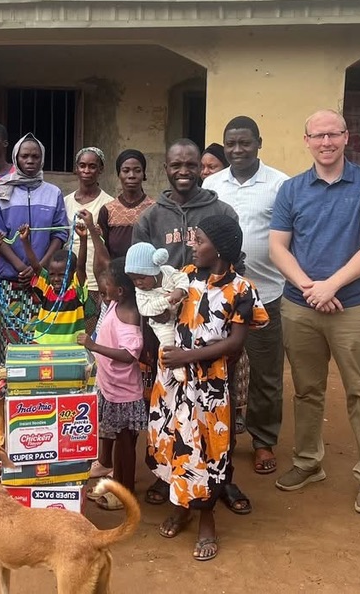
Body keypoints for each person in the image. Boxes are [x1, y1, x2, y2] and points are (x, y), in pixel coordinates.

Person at [269, 109, 360, 515]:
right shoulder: (291, 189)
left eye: (333, 134)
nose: (326, 142)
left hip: (353, 307)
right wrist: (311, 288)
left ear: (346, 137)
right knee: (306, 390)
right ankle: (308, 462)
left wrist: (332, 285)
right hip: (301, 305)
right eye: (318, 135)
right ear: (306, 141)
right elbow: (278, 247)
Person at [132, 139, 247, 513]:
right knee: (169, 407)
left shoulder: (220, 210)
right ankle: (168, 476)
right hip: (167, 331)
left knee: (218, 409)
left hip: (213, 333)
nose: (183, 171)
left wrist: (230, 328)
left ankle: (221, 480)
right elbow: (139, 277)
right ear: (165, 167)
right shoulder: (151, 217)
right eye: (176, 165)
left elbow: (236, 267)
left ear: (202, 167)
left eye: (191, 164)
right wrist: (151, 328)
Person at [149, 215, 268, 562]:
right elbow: (166, 313)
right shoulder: (184, 277)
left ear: (220, 249)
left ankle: (206, 520)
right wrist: (161, 313)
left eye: (199, 240)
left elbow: (235, 343)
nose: (192, 245)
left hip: (209, 387)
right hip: (173, 382)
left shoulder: (241, 290)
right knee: (176, 443)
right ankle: (181, 506)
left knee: (209, 450)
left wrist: (188, 356)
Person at [203, 116, 290, 477]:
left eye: (245, 143)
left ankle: (263, 440)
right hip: (219, 297)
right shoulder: (211, 184)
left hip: (265, 294)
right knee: (218, 370)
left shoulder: (279, 184)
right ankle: (218, 438)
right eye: (231, 144)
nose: (237, 150)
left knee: (265, 375)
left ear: (259, 143)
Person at [0, 133, 69, 362]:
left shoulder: (53, 193)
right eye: (25, 156)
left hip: (43, 282)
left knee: (39, 340)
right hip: (9, 280)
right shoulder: (0, 191)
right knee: (8, 340)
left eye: (35, 156)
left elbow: (60, 233)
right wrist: (22, 267)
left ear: (42, 159)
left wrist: (38, 268)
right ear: (16, 158)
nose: (30, 160)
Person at [79, 256, 146, 508]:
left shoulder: (129, 316)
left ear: (120, 290)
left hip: (124, 394)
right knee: (119, 440)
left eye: (106, 284)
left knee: (125, 446)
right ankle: (117, 482)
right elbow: (100, 267)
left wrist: (94, 346)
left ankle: (124, 492)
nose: (102, 287)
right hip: (111, 388)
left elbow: (129, 355)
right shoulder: (114, 304)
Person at [64, 146, 114, 334]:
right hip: (69, 280)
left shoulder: (108, 204)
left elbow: (109, 247)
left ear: (101, 169)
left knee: (90, 335)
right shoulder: (65, 202)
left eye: (92, 166)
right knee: (69, 333)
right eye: (82, 165)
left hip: (94, 281)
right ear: (76, 168)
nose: (86, 171)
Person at [124, 243, 189, 381]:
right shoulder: (140, 292)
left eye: (142, 278)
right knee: (167, 340)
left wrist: (180, 290)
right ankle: (176, 367)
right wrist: (167, 300)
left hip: (182, 310)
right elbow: (145, 309)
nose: (138, 283)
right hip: (162, 323)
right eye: (133, 280)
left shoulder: (168, 272)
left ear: (154, 271)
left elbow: (182, 278)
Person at [18, 222, 88, 344]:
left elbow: (81, 266)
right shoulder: (47, 287)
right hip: (43, 345)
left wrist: (83, 239)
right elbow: (36, 266)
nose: (56, 279)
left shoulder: (76, 289)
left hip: (70, 347)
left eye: (62, 275)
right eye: (52, 274)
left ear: (72, 274)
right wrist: (25, 241)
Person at [97, 149, 155, 259]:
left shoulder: (154, 209)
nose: (131, 175)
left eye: (137, 170)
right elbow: (103, 251)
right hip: (115, 269)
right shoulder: (108, 210)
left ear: (143, 174)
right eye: (126, 170)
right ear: (119, 174)